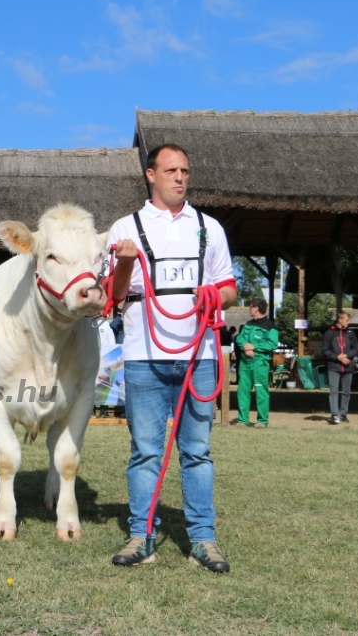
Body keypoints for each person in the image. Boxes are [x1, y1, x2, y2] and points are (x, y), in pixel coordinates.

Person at [106, 144, 237, 573]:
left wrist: (214, 294)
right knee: (145, 451)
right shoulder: (126, 228)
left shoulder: (209, 227)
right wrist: (124, 262)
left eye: (185, 171)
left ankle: (203, 539)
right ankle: (141, 535)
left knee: (197, 451)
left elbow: (230, 287)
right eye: (171, 170)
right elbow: (115, 295)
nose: (179, 178)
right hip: (145, 356)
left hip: (199, 356)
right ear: (151, 175)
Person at [235, 298, 279, 428]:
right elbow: (240, 338)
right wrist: (245, 346)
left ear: (257, 308)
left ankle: (262, 421)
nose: (249, 309)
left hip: (260, 364)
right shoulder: (248, 324)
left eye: (251, 307)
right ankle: (242, 420)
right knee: (242, 391)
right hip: (245, 363)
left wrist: (253, 347)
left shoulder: (271, 326)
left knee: (261, 392)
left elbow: (272, 343)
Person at [323, 311, 358, 425]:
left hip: (348, 366)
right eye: (347, 320)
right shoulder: (329, 333)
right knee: (334, 391)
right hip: (334, 366)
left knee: (346, 392)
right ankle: (334, 415)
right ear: (340, 320)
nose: (348, 322)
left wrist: (347, 356)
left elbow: (356, 348)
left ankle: (343, 414)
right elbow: (325, 350)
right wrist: (337, 357)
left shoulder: (351, 333)